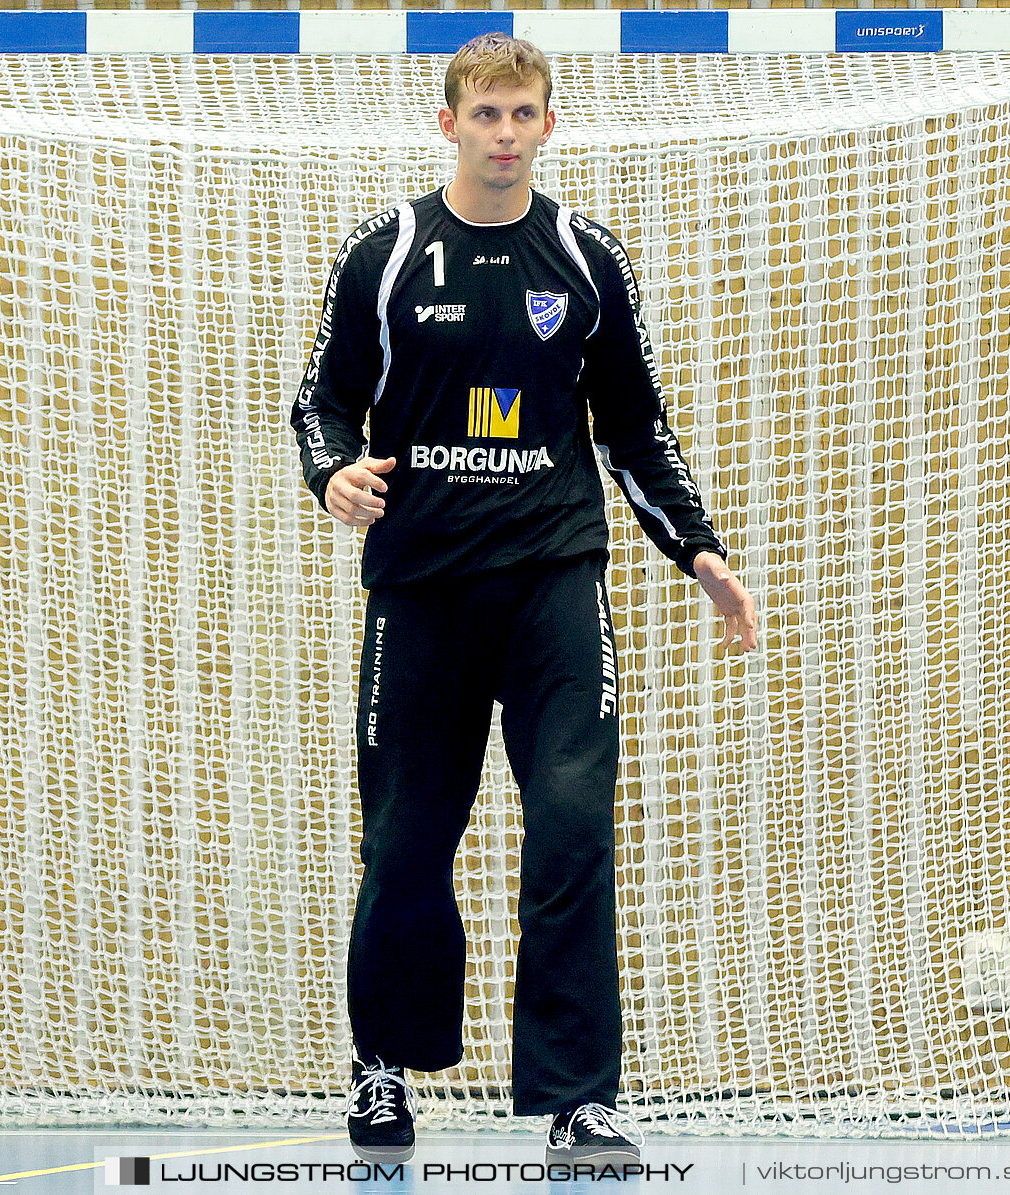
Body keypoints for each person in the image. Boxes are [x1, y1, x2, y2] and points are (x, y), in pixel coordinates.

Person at [290, 32, 759, 1166]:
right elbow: (321, 403)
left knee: (568, 824)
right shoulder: (387, 253)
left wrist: (697, 549)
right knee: (406, 838)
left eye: (525, 114)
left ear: (552, 125)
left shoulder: (587, 259)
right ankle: (383, 1070)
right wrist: (334, 473)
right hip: (422, 591)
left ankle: (578, 1099)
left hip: (555, 581)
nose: (505, 133)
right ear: (447, 124)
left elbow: (635, 429)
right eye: (486, 114)